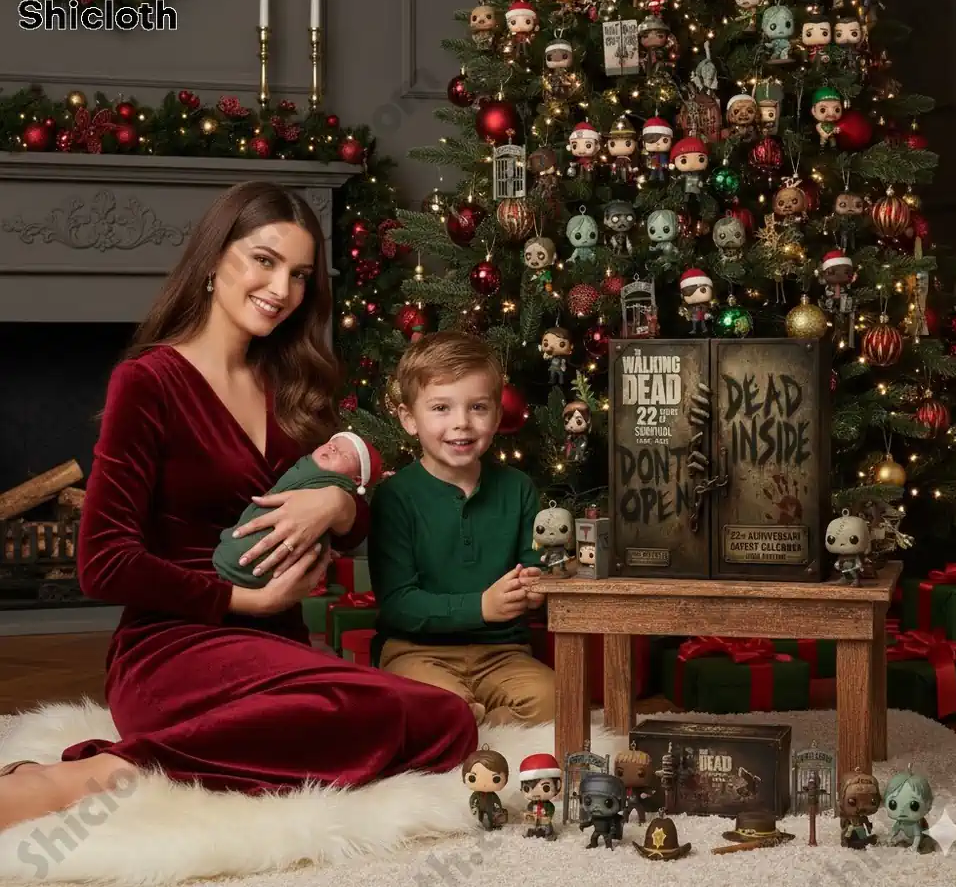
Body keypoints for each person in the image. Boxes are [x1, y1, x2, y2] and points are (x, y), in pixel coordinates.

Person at [0, 181, 478, 833]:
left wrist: (336, 506)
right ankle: (99, 773)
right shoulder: (148, 383)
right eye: (264, 260)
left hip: (278, 647)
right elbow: (102, 563)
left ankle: (171, 759)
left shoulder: (294, 386)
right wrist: (238, 602)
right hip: (171, 648)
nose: (282, 289)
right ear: (214, 260)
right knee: (386, 717)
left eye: (300, 274)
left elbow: (358, 523)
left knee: (444, 719)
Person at [369, 331, 556, 726]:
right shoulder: (394, 497)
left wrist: (536, 588)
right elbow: (399, 603)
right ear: (409, 419)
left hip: (503, 653)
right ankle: (460, 723)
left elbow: (535, 566)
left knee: (556, 699)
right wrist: (481, 606)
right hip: (416, 651)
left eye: (477, 407)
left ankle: (476, 733)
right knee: (432, 702)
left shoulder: (517, 488)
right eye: (441, 408)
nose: (462, 424)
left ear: (497, 415)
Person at [213, 430, 382, 588]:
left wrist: (338, 501)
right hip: (213, 565)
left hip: (269, 576)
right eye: (332, 443)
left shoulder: (331, 482)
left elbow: (357, 519)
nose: (333, 448)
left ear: (357, 479)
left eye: (345, 454)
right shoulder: (303, 467)